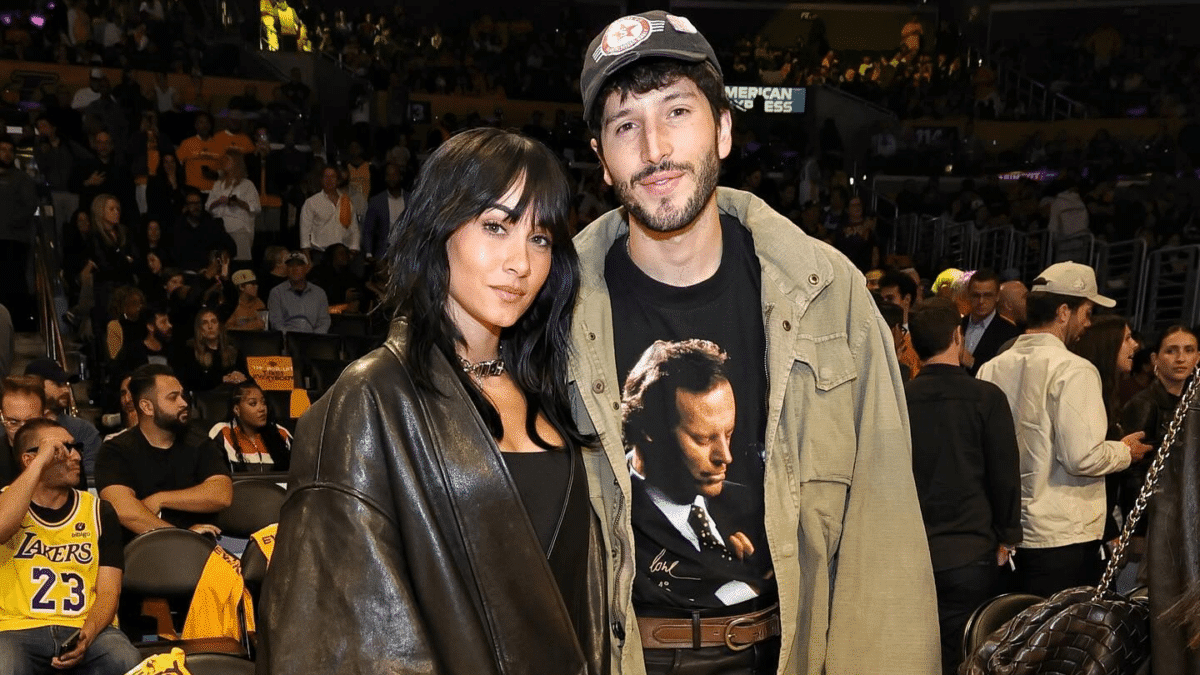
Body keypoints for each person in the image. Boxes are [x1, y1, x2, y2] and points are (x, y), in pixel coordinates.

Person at [570, 12, 937, 674]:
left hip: (787, 654)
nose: (654, 148)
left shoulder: (831, 294)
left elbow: (884, 531)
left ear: (726, 129)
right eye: (625, 125)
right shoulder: (556, 312)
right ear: (602, 161)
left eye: (677, 111)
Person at [259, 128, 607, 674]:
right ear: (438, 228)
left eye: (540, 238)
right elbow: (330, 640)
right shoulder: (367, 398)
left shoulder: (555, 390)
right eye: (496, 226)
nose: (521, 261)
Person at [977, 262, 1152, 597]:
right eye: (1086, 312)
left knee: (1016, 637)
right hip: (1061, 538)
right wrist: (1124, 452)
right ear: (1063, 311)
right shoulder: (1075, 370)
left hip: (1008, 534)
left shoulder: (991, 367)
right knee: (1061, 643)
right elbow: (1082, 458)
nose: (1087, 323)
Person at [905, 298, 1021, 675]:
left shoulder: (898, 401)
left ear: (913, 346)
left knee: (912, 654)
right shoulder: (986, 398)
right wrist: (1008, 536)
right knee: (966, 656)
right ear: (958, 336)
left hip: (909, 551)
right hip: (970, 552)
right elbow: (1004, 473)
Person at [621, 339, 771, 607]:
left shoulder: (750, 505)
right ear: (649, 429)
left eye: (729, 434)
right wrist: (747, 586)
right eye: (703, 439)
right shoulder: (612, 511)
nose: (725, 456)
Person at [0, 419, 142, 675]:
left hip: (85, 627)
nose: (76, 456)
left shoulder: (98, 510)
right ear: (30, 459)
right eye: (61, 450)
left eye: (76, 448)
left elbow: (109, 591)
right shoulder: (5, 502)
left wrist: (86, 635)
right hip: (15, 630)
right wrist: (42, 459)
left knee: (125, 658)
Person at [94, 364, 232, 539]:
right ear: (147, 407)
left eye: (182, 396)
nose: (183, 403)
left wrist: (161, 499)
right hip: (140, 553)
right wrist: (181, 537)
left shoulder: (200, 443)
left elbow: (221, 495)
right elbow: (123, 510)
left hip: (201, 552)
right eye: (173, 398)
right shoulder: (115, 450)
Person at [1071, 315, 1139, 542]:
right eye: (1127, 338)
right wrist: (1124, 451)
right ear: (1108, 345)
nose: (1135, 345)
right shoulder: (1089, 392)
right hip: (1085, 525)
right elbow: (1085, 458)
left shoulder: (1109, 392)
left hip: (1099, 520)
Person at [0, 135, 39, 332]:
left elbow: (30, 205)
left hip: (14, 239)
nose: (6, 154)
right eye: (2, 149)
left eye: (9, 150)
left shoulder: (22, 178)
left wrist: (10, 221)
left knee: (14, 280)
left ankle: (18, 321)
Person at [207, 381, 291, 472]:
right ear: (236, 409)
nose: (262, 408)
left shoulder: (281, 433)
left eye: (263, 403)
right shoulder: (222, 432)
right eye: (253, 404)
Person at [960, 269, 1022, 376]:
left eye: (987, 295)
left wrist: (972, 363)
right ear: (969, 295)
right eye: (976, 295)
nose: (981, 301)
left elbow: (1006, 374)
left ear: (997, 296)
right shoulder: (957, 325)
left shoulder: (1010, 334)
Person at [205, 148, 261, 262]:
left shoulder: (247, 184)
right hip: (220, 230)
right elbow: (207, 206)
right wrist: (218, 202)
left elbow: (255, 208)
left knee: (241, 264)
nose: (224, 162)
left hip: (239, 229)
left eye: (228, 160)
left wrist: (238, 202)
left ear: (236, 162)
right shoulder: (218, 184)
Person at [172, 309, 247, 393]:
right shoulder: (190, 350)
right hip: (204, 398)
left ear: (219, 326)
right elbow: (192, 381)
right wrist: (222, 379)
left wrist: (240, 376)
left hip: (230, 395)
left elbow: (246, 375)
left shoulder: (232, 348)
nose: (210, 326)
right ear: (199, 328)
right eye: (205, 323)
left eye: (214, 322)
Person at [299, 165, 360, 263]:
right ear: (321, 179)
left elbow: (354, 229)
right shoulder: (311, 202)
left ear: (338, 180)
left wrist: (353, 251)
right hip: (320, 254)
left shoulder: (346, 201)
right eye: (326, 177)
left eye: (333, 177)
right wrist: (308, 260)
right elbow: (304, 233)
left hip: (343, 254)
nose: (329, 180)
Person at [267, 251, 330, 334]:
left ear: (306, 268)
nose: (294, 269)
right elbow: (276, 323)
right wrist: (292, 339)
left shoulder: (319, 293)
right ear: (286, 269)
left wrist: (314, 338)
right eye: (290, 265)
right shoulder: (276, 292)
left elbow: (324, 321)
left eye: (299, 265)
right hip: (286, 340)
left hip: (313, 340)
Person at [361, 161, 406, 262]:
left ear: (401, 176)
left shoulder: (411, 199)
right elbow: (368, 230)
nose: (391, 178)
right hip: (384, 254)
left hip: (407, 253)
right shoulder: (376, 201)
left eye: (394, 174)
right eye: (388, 175)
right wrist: (369, 254)